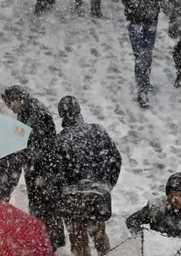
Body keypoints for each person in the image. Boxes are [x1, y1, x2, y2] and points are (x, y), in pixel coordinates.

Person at [2, 86, 66, 252]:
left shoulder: (36, 113)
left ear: (19, 100)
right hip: (37, 171)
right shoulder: (25, 112)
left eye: (10, 103)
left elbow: (41, 145)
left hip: (45, 171)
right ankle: (44, 241)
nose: (9, 107)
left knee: (47, 208)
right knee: (40, 207)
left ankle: (52, 244)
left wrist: (23, 152)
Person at [57, 96, 121, 256]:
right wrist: (109, 182)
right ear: (79, 110)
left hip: (72, 198)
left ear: (62, 115)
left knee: (79, 243)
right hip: (97, 194)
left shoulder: (60, 141)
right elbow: (114, 157)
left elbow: (56, 173)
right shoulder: (97, 131)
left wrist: (62, 192)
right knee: (100, 236)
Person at [119, 0, 169, 108]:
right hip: (136, 23)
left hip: (151, 20)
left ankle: (144, 82)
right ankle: (142, 89)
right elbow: (128, 1)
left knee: (147, 54)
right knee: (141, 55)